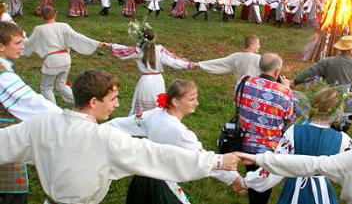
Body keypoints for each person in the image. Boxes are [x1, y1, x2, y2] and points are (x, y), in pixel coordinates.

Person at [0, 70, 240, 204]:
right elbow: (156, 155)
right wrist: (216, 161)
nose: (117, 105)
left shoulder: (41, 123)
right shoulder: (103, 139)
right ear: (94, 102)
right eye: (113, 100)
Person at [109, 80, 239, 203]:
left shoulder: (155, 114)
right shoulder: (180, 133)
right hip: (161, 182)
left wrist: (94, 128)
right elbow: (202, 159)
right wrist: (234, 178)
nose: (197, 103)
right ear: (175, 101)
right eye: (192, 99)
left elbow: (122, 124)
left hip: (142, 176)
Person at [236, 86, 352, 204]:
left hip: (294, 187)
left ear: (314, 105)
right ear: (337, 113)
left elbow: (276, 164)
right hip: (322, 192)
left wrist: (246, 182)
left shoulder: (294, 131)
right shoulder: (342, 139)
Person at [0, 21, 61, 204]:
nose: (22, 47)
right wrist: (70, 119)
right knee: (12, 193)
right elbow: (32, 103)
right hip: (5, 140)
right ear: (1, 46)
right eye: (17, 43)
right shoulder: (4, 75)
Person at [237, 53, 294, 204]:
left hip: (244, 143)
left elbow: (238, 104)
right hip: (269, 148)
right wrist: (286, 89)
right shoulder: (284, 92)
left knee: (251, 175)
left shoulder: (243, 82)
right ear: (277, 71)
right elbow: (289, 117)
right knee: (263, 184)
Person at [22, 7, 104, 105]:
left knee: (46, 87)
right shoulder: (64, 26)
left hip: (52, 60)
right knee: (62, 84)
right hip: (65, 58)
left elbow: (29, 43)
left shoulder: (39, 29)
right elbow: (77, 36)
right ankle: (80, 103)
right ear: (55, 14)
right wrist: (95, 43)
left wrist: (21, 37)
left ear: (42, 16)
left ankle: (53, 110)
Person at [109, 23, 195, 115]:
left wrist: (109, 45)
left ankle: (140, 122)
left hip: (146, 82)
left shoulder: (138, 51)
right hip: (158, 81)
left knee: (143, 107)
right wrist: (188, 64)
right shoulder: (159, 50)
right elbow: (173, 60)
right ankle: (155, 121)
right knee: (157, 105)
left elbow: (123, 51)